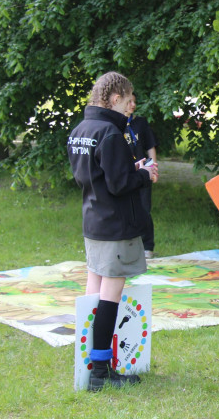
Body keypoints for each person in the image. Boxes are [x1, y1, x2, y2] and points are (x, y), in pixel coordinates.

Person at [68, 71, 159, 391]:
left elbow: (93, 175)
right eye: (127, 100)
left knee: (93, 292)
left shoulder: (82, 129)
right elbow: (120, 185)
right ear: (115, 97)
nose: (130, 108)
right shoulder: (109, 132)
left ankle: (87, 363)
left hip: (93, 221)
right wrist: (144, 175)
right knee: (110, 297)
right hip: (116, 226)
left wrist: (130, 168)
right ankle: (100, 371)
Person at [125, 97, 158, 258]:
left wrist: (153, 169)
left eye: (134, 101)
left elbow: (150, 146)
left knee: (144, 209)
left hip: (143, 172)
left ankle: (147, 246)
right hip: (127, 174)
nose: (133, 105)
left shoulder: (141, 123)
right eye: (129, 102)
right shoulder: (115, 125)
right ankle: (129, 246)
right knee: (127, 210)